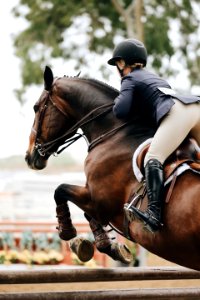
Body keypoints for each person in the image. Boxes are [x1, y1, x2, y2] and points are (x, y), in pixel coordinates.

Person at [107, 38, 200, 233]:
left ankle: (153, 214)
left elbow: (121, 110)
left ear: (122, 63)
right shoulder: (153, 77)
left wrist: (117, 99)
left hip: (179, 112)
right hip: (195, 108)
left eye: (117, 63)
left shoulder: (130, 79)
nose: (117, 68)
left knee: (153, 157)